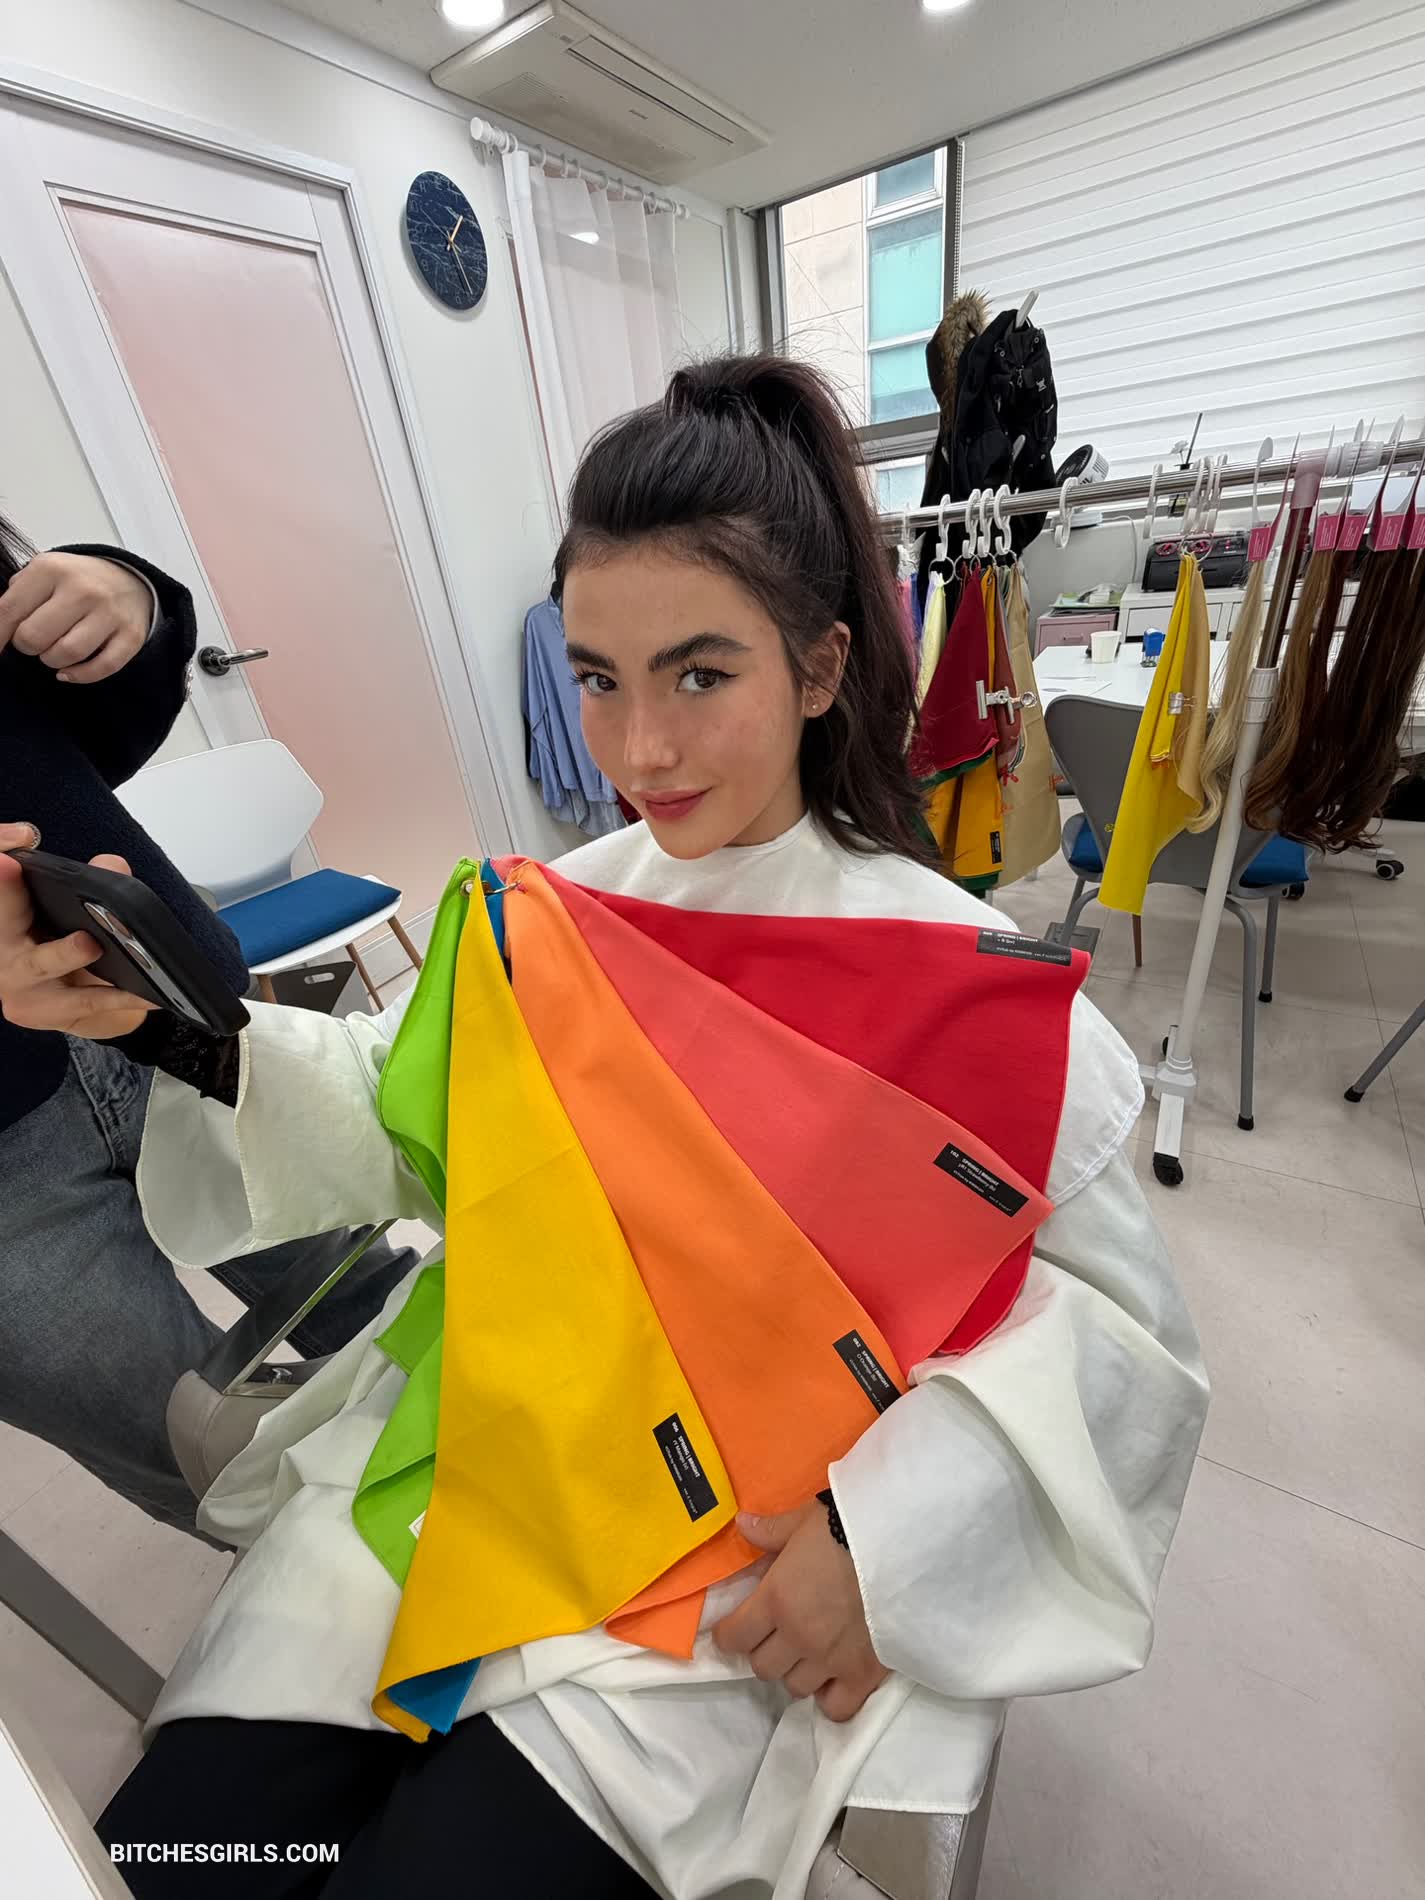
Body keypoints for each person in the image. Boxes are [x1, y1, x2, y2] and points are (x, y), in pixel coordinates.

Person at [0, 358, 1209, 1899]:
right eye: (596, 679)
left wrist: (881, 1535)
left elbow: (1112, 1347)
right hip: (475, 1472)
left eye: (699, 677)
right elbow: (399, 1110)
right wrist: (156, 1022)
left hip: (710, 1588)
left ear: (821, 668)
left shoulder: (971, 995)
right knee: (185, 1857)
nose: (638, 752)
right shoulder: (546, 918)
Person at [0, 518, 416, 1539]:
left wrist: (133, 609)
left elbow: (76, 739)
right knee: (226, 1467)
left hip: (152, 1012)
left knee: (367, 1286)